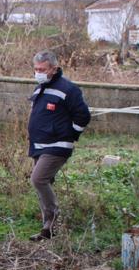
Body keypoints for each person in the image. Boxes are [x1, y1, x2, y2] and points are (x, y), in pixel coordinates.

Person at [27, 50, 91, 240]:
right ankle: (48, 230)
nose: (38, 72)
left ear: (54, 69)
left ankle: (53, 220)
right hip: (39, 145)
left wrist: (71, 134)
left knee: (38, 179)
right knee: (42, 185)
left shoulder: (68, 89)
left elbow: (83, 116)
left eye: (42, 69)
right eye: (36, 69)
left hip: (57, 145)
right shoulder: (40, 87)